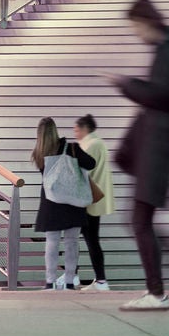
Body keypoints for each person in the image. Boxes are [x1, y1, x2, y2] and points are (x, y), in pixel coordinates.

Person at [110, 0, 169, 312]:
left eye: (136, 27)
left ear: (146, 22)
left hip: (156, 149)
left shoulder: (167, 53)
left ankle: (157, 291)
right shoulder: (166, 51)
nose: (136, 34)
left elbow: (162, 95)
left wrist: (127, 84)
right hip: (153, 148)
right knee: (139, 222)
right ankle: (159, 284)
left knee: (139, 222)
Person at [30, 117, 99, 290]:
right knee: (72, 242)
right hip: (73, 200)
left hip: (51, 201)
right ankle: (69, 281)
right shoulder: (71, 148)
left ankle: (49, 282)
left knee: (51, 242)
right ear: (55, 131)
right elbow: (91, 163)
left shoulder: (39, 152)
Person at [75, 115, 113, 292]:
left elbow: (81, 170)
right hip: (91, 201)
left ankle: (100, 280)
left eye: (76, 130)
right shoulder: (98, 143)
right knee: (83, 238)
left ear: (85, 129)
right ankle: (96, 279)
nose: (75, 133)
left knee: (87, 240)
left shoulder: (91, 145)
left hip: (87, 201)